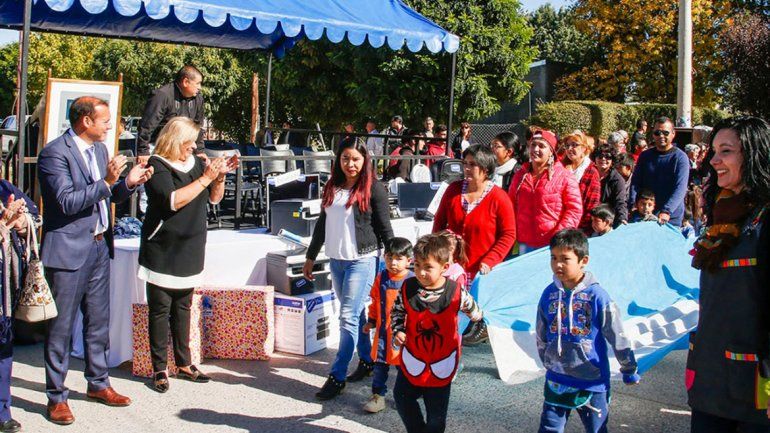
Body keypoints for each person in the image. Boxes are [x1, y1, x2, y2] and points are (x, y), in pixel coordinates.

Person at [38, 96, 153, 425]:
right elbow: (65, 202)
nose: (110, 126)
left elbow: (109, 196)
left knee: (98, 321)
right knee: (60, 328)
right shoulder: (54, 154)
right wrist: (104, 182)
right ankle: (56, 396)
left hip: (101, 246)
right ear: (85, 121)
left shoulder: (101, 151)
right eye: (104, 120)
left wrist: (127, 183)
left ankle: (98, 383)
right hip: (69, 250)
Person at [138, 117, 237, 393]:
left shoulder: (196, 163)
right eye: (189, 142)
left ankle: (184, 362)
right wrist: (206, 178)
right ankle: (159, 367)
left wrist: (219, 177)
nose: (193, 147)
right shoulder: (157, 165)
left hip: (191, 246)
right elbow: (173, 200)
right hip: (162, 248)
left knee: (183, 308)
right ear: (174, 140)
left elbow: (214, 198)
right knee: (159, 311)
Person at [688, 116, 770, 432]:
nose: (714, 160)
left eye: (726, 151)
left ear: (753, 155)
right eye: (713, 151)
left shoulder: (764, 221)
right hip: (710, 376)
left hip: (753, 385)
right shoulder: (720, 213)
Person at [303, 138, 394, 400]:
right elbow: (323, 222)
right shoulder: (333, 185)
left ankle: (337, 375)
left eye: (355, 159)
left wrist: (392, 255)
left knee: (347, 317)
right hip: (337, 259)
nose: (350, 164)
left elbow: (384, 226)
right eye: (345, 158)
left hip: (362, 259)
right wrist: (311, 256)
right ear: (338, 160)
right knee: (356, 314)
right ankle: (366, 360)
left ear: (365, 159)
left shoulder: (374, 188)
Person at [536, 229, 640, 433]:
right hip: (557, 378)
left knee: (597, 428)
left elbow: (617, 334)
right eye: (553, 257)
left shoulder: (598, 296)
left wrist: (629, 368)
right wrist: (547, 359)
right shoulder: (548, 294)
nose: (558, 264)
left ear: (584, 260)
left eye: (565, 259)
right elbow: (542, 332)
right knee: (549, 428)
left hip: (592, 380)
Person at [391, 234, 483, 433]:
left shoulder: (457, 292)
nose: (421, 272)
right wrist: (398, 330)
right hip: (413, 355)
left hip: (441, 360)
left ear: (445, 267)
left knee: (436, 416)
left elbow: (475, 312)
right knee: (402, 396)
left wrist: (478, 316)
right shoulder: (408, 288)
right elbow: (397, 311)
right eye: (416, 266)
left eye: (428, 267)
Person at [433, 144, 516, 346]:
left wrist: (491, 260)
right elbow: (439, 222)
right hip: (453, 268)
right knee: (449, 316)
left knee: (475, 316)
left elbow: (509, 234)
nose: (467, 169)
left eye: (473, 165)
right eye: (465, 164)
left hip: (481, 270)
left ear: (486, 169)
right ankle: (447, 358)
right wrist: (438, 252)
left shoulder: (499, 197)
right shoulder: (453, 190)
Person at [0, 181, 40, 433]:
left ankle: (2, 410)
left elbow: (35, 214)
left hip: (4, 286)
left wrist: (22, 221)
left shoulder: (3, 187)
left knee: (3, 347)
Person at [360, 237, 414, 413]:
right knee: (380, 367)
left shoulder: (412, 281)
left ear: (409, 260)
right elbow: (375, 301)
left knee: (404, 368)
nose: (393, 263)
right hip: (383, 334)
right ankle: (378, 397)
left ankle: (406, 395)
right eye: (389, 257)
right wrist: (371, 321)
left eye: (399, 258)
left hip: (403, 336)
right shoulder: (381, 277)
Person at [509, 128, 582, 254]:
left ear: (551, 152)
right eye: (533, 145)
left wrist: (559, 235)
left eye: (541, 146)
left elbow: (574, 209)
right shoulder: (520, 175)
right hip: (524, 243)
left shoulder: (564, 177)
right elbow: (510, 205)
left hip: (552, 244)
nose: (535, 149)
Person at [628, 116, 690, 226]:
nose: (661, 136)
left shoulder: (680, 158)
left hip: (670, 218)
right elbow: (635, 182)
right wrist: (633, 203)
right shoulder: (645, 156)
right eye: (657, 133)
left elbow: (680, 187)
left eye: (665, 133)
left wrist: (667, 210)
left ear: (673, 134)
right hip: (644, 214)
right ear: (653, 134)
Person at [136, 65, 205, 162]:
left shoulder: (198, 99)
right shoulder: (162, 95)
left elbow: (198, 126)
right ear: (185, 82)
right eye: (197, 83)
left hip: (185, 151)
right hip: (160, 150)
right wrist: (143, 151)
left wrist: (200, 151)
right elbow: (147, 125)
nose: (200, 87)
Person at [562, 131, 601, 235]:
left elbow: (592, 206)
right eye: (567, 146)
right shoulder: (561, 168)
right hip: (561, 225)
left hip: (580, 229)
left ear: (584, 148)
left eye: (574, 145)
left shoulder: (591, 172)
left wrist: (580, 230)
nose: (570, 149)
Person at [592, 143, 628, 226]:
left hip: (607, 222)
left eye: (608, 157)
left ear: (612, 160)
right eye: (600, 156)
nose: (603, 159)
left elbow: (621, 202)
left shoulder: (617, 180)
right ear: (595, 158)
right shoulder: (588, 175)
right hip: (589, 218)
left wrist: (622, 218)